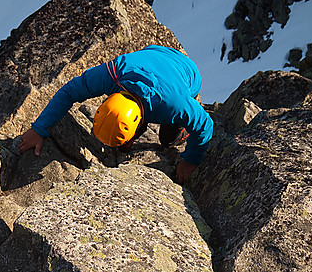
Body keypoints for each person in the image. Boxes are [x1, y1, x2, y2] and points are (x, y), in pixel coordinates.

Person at [19, 44, 213, 184]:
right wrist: (39, 129)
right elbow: (69, 91)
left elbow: (205, 125)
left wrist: (190, 160)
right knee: (123, 141)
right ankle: (127, 139)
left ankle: (186, 116)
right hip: (154, 52)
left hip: (188, 73)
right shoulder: (111, 74)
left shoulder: (173, 104)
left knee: (169, 140)